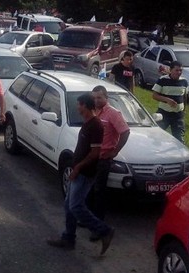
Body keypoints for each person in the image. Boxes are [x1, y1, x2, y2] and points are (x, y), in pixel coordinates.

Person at [47, 94, 115, 255]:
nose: (77, 108)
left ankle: (104, 230)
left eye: (79, 105)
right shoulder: (87, 123)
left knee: (75, 206)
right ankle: (68, 238)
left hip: (85, 173)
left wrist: (78, 168)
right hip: (78, 170)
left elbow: (95, 152)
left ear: (85, 106)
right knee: (68, 205)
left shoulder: (95, 125)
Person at [88, 86, 129, 236]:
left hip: (103, 159)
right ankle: (88, 220)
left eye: (99, 97)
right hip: (91, 157)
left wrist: (115, 151)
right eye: (94, 97)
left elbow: (125, 132)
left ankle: (99, 228)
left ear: (106, 98)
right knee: (88, 190)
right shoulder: (93, 111)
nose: (96, 100)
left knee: (99, 192)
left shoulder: (112, 113)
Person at [152, 61, 188, 143]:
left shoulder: (184, 81)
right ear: (171, 70)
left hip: (178, 115)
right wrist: (167, 100)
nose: (179, 72)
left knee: (179, 139)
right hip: (164, 114)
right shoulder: (163, 80)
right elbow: (154, 95)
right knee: (157, 136)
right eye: (176, 70)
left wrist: (183, 110)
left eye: (180, 70)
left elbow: (185, 97)